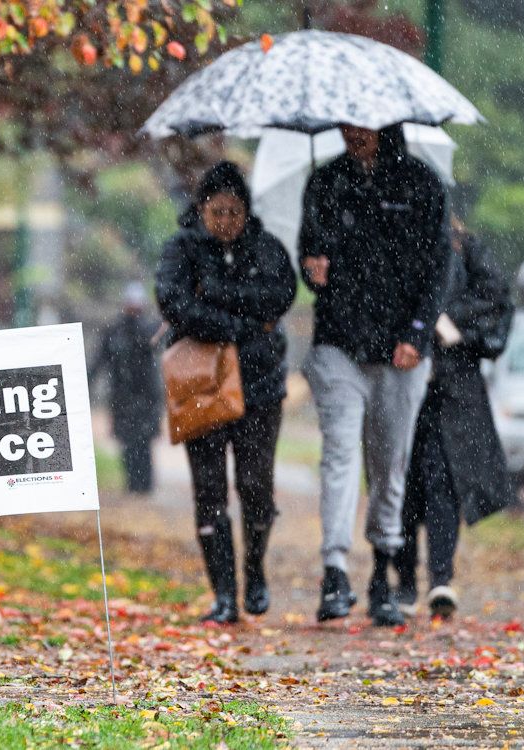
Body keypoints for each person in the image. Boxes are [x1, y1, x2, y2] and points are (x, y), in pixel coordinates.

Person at [299, 124, 450, 627]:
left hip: (400, 351)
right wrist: (312, 267)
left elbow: (438, 269)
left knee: (389, 466)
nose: (351, 134)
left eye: (361, 125)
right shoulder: (325, 181)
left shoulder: (422, 184)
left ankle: (383, 569)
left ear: (385, 126)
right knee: (339, 455)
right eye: (344, 124)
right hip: (339, 344)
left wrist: (418, 332)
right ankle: (334, 569)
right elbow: (310, 253)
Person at [156, 161, 296, 623]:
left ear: (246, 211)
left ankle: (254, 569)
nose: (226, 222)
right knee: (209, 490)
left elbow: (281, 294)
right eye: (217, 212)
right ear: (200, 209)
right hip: (202, 385)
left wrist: (214, 297)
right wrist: (238, 324)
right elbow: (175, 303)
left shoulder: (267, 248)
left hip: (260, 385)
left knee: (256, 485)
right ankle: (222, 594)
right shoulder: (181, 249)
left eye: (234, 212)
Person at [394, 220, 515, 619]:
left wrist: (451, 322)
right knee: (404, 485)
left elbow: (496, 298)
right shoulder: (394, 241)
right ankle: (405, 580)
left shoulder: (464, 248)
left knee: (443, 481)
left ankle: (440, 578)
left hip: (453, 390)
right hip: (402, 381)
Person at [89, 283, 163, 495]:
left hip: (146, 396)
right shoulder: (114, 331)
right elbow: (99, 361)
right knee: (128, 443)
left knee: (144, 443)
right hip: (122, 397)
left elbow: (158, 341)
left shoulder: (149, 329)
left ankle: (145, 486)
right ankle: (133, 484)